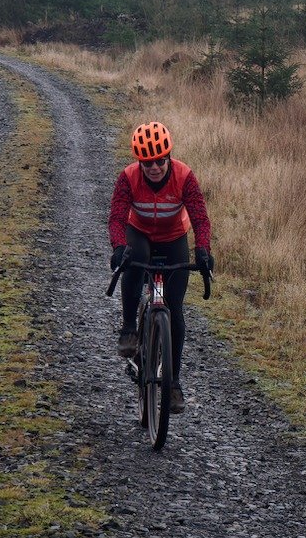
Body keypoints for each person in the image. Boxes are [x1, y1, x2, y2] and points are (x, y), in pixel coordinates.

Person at [108, 121, 213, 413]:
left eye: (159, 160)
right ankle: (130, 328)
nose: (154, 167)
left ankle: (174, 383)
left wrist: (203, 250)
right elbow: (117, 218)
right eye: (147, 162)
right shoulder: (128, 178)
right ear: (139, 161)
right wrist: (118, 247)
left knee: (175, 310)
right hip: (139, 232)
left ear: (168, 156)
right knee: (132, 259)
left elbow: (201, 219)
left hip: (173, 237)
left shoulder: (184, 177)